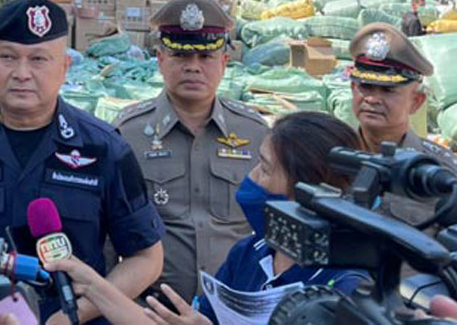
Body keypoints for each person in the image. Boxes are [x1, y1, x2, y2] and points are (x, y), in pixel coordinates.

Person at [0, 0, 165, 324]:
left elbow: (146, 257)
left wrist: (72, 315)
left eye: (38, 59)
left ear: (64, 67)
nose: (22, 73)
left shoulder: (103, 148)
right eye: (7, 57)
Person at [44, 112, 370, 325]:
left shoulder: (348, 286)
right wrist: (94, 286)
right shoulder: (249, 254)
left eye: (265, 169)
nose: (251, 178)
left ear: (307, 192)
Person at [114, 0, 268, 300]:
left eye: (205, 57)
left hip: (233, 309)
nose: (193, 67)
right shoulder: (127, 134)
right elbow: (108, 234)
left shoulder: (255, 133)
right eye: (181, 56)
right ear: (160, 60)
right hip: (151, 309)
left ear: (224, 62)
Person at [349, 22, 457, 227]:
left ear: (416, 101)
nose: (372, 99)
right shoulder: (328, 154)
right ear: (353, 88)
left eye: (388, 90)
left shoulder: (439, 171)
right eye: (366, 86)